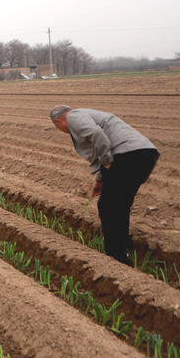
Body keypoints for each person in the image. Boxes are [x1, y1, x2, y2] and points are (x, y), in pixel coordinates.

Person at [49, 105, 160, 265]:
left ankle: (116, 256)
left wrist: (107, 162)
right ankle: (124, 245)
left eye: (57, 126)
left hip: (127, 155)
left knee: (107, 206)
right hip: (145, 154)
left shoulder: (73, 116)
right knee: (121, 203)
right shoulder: (87, 115)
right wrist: (100, 179)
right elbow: (98, 148)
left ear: (58, 121)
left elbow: (97, 135)